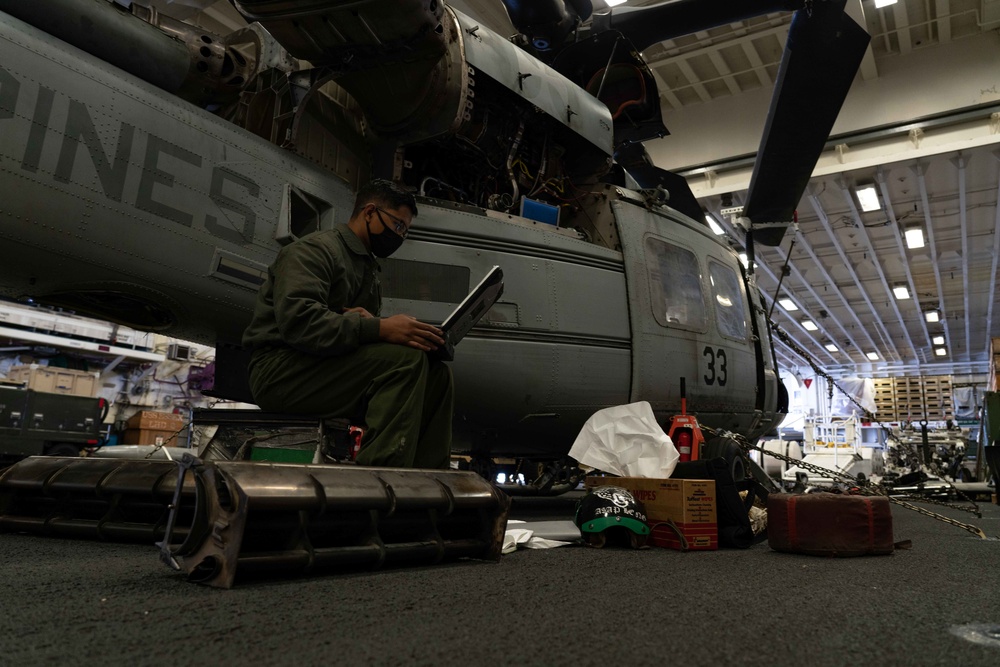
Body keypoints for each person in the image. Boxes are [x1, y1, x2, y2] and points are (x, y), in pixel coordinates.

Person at [242, 179, 453, 469]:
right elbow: (300, 323)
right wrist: (379, 328)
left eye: (405, 230)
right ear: (369, 213)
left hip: (319, 365)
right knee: (406, 361)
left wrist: (373, 326)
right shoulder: (315, 251)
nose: (399, 236)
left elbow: (353, 333)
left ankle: (430, 478)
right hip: (281, 372)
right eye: (397, 225)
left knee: (437, 375)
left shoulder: (364, 266)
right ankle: (382, 479)